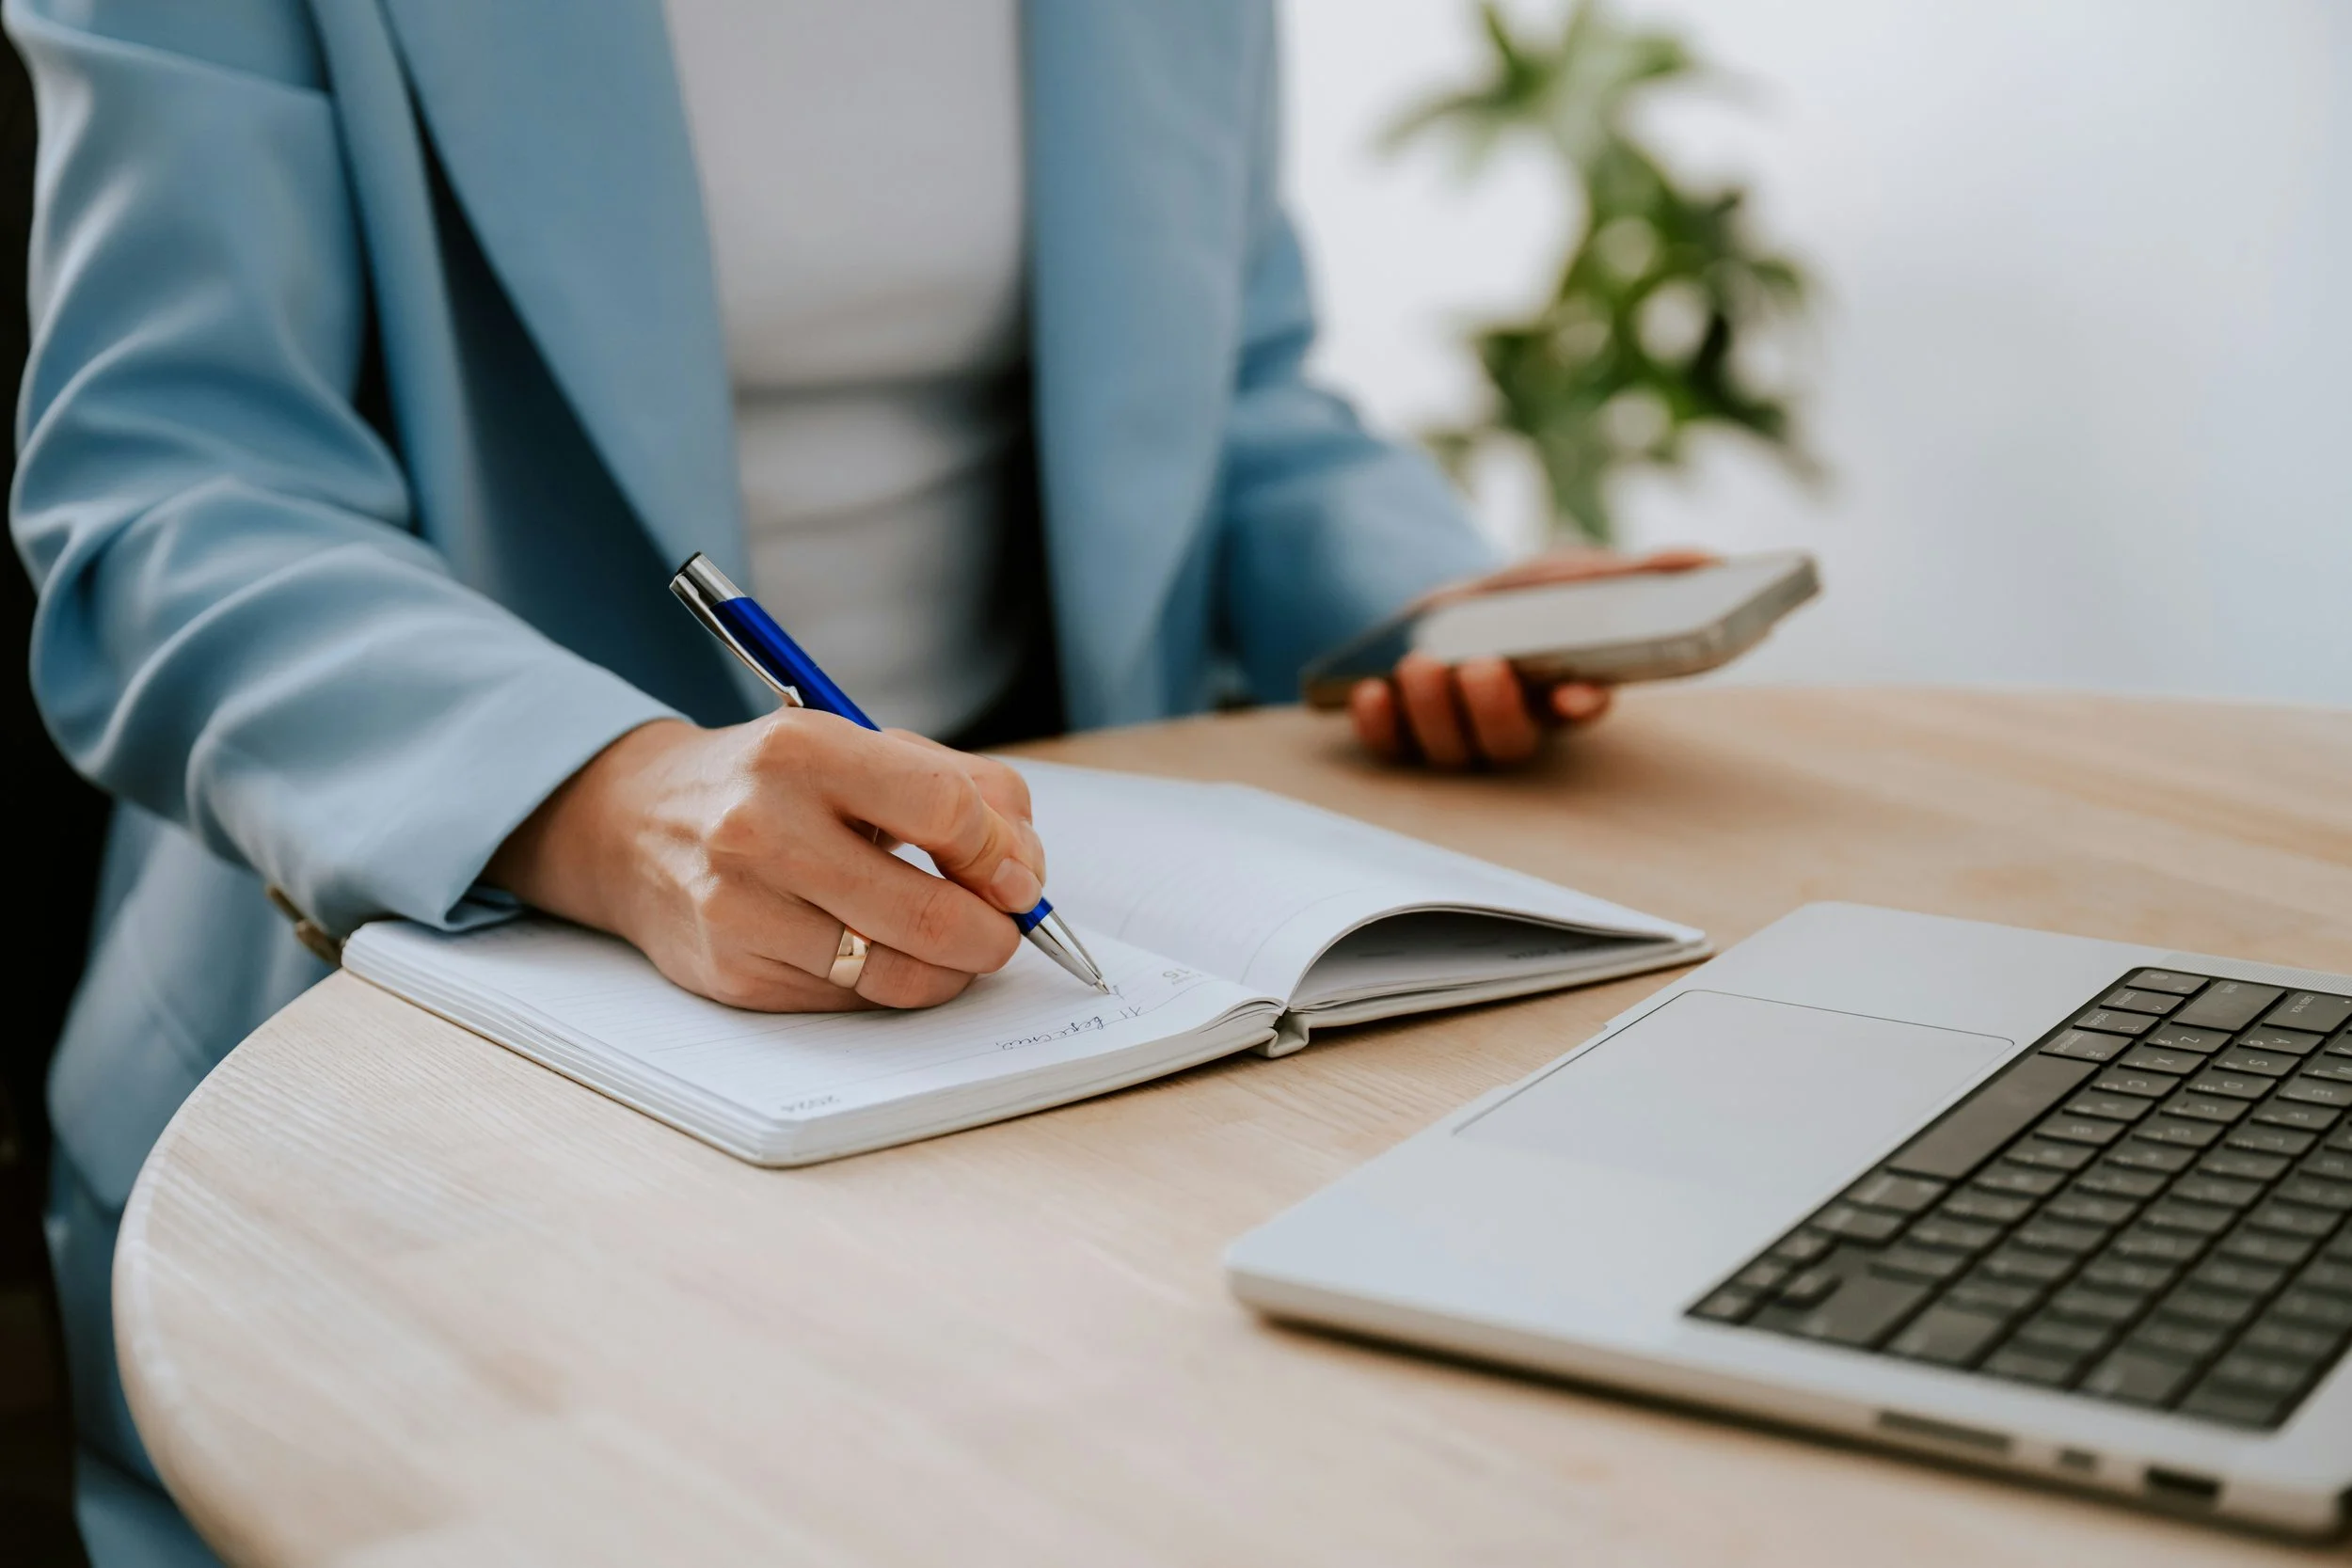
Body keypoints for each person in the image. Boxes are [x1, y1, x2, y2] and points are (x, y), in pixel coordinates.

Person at [7, 2, 1693, 1560]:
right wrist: (605, 797)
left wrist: (1414, 598)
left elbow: (1234, 393)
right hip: (402, 1078)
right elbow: (171, 498)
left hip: (1024, 980)